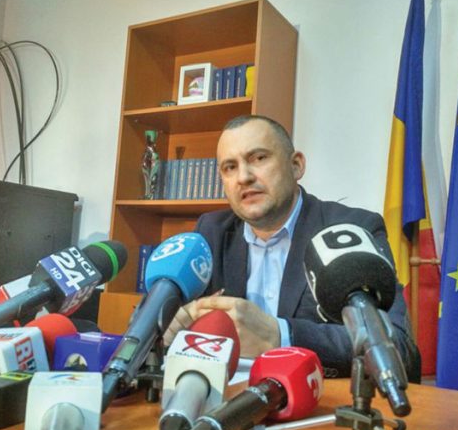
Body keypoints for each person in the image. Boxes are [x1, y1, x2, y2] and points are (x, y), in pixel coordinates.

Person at [165, 114, 420, 381]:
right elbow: (152, 321)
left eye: (258, 158)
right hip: (222, 394)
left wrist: (281, 334)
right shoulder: (211, 232)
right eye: (230, 167)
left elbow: (397, 347)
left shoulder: (350, 229)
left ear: (296, 166)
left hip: (313, 397)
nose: (243, 177)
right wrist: (170, 326)